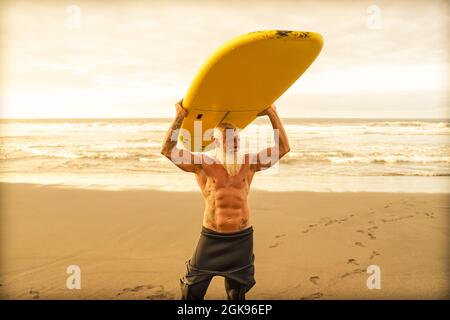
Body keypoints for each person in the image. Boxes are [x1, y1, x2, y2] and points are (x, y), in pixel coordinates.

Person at [160, 100, 290, 300]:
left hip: (241, 239)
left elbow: (283, 148)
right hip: (212, 237)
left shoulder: (249, 163)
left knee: (236, 295)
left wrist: (272, 113)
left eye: (237, 139)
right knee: (192, 292)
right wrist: (179, 116)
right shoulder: (202, 164)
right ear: (217, 142)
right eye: (230, 140)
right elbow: (168, 151)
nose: (235, 143)